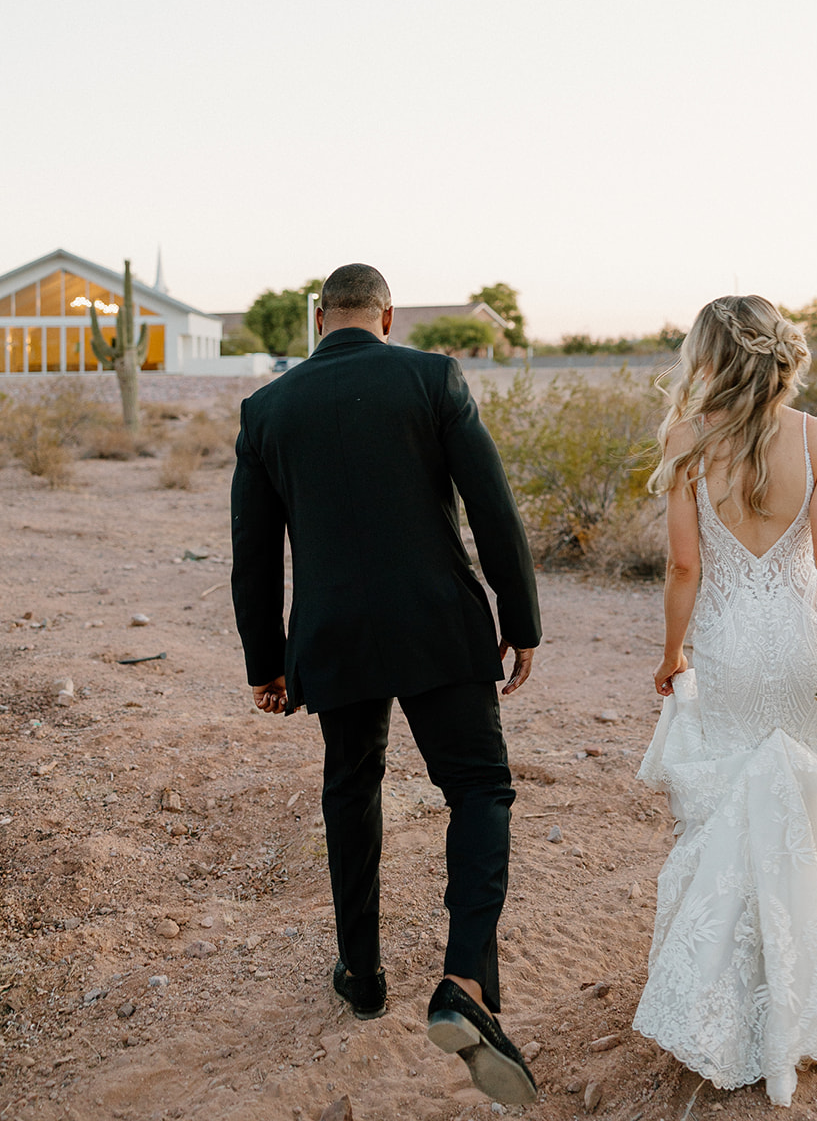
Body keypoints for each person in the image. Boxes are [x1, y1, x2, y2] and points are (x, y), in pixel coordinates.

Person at [230, 263, 541, 1106]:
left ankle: (362, 975)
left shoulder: (267, 409)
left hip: (334, 637)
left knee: (351, 787)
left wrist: (267, 660)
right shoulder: (431, 376)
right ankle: (463, 980)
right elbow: (492, 508)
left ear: (318, 320)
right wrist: (520, 619)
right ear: (387, 316)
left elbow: (253, 553)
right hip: (437, 622)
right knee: (477, 789)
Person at [634, 296, 817, 1109]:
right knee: (809, 811)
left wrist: (673, 653)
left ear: (708, 356)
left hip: (729, 656)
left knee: (733, 814)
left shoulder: (686, 441)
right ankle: (807, 990)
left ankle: (736, 1000)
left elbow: (684, 571)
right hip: (805, 655)